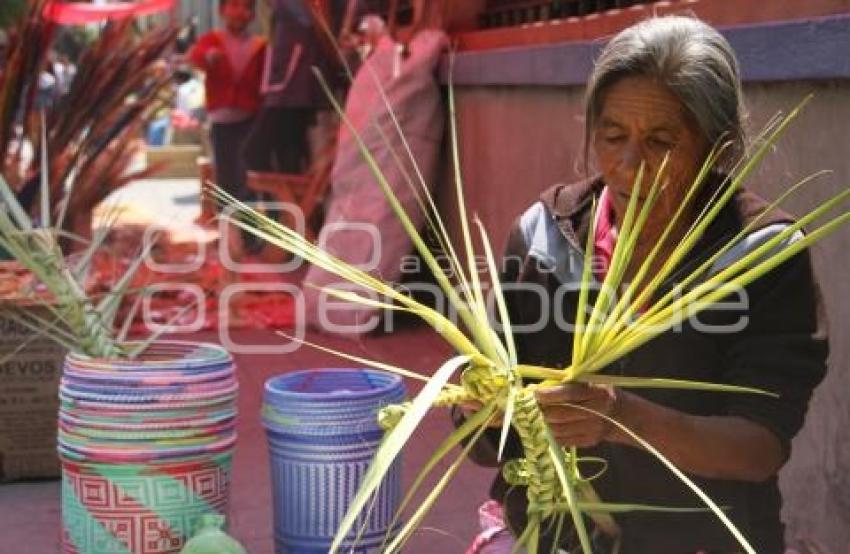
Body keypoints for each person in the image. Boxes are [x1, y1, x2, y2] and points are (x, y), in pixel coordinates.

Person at [459, 15, 828, 553]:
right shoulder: (544, 235)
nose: (630, 165)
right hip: (550, 534)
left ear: (719, 149)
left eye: (661, 141)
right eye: (612, 136)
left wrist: (618, 417)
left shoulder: (759, 256)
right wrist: (481, 409)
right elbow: (487, 436)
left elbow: (759, 446)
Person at [188, 0, 266, 205]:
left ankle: (248, 235)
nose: (241, 12)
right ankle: (229, 233)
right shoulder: (212, 39)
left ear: (252, 15)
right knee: (226, 181)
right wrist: (208, 56)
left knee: (247, 180)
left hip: (250, 121)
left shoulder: (259, 46)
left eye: (247, 7)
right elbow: (195, 56)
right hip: (221, 124)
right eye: (235, 6)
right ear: (222, 11)